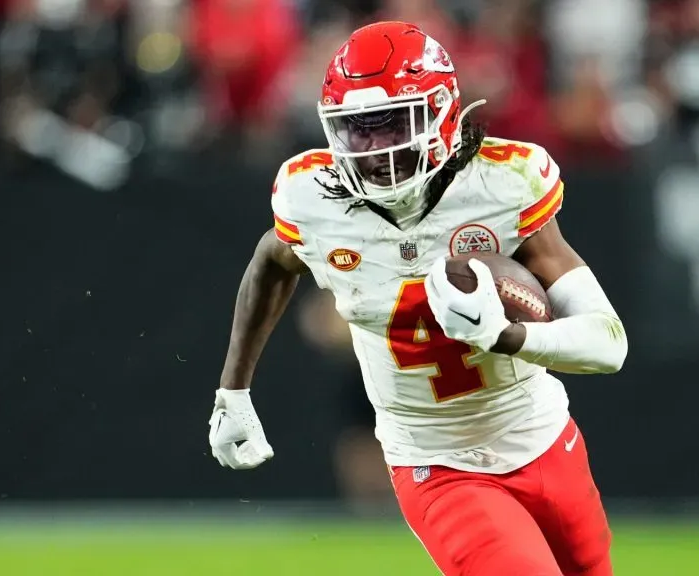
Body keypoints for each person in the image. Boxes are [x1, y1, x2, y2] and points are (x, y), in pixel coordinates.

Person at [208, 21, 628, 576]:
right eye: (357, 130)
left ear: (442, 112)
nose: (376, 149)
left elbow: (608, 343)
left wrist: (508, 337)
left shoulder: (502, 185)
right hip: (435, 462)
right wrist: (233, 388)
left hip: (543, 436)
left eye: (390, 126)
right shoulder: (313, 200)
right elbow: (271, 260)